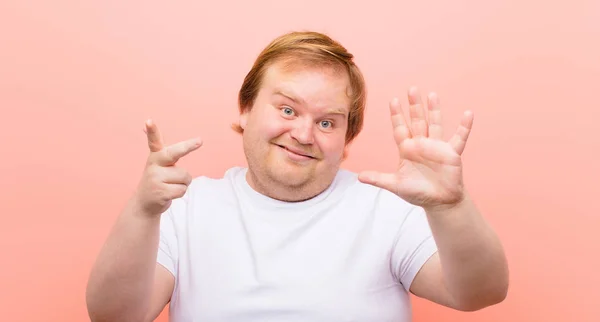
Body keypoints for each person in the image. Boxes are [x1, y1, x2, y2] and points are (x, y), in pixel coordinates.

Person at [86, 31, 509, 322]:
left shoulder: (388, 208)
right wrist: (142, 211)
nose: (304, 134)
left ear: (347, 138)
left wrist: (452, 207)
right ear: (246, 108)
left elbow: (480, 292)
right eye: (287, 110)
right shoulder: (187, 207)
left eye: (327, 122)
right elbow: (115, 315)